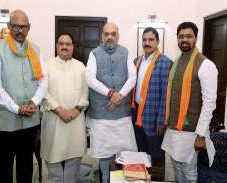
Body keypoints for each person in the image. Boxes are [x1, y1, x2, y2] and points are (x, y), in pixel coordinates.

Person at [0, 9, 48, 183]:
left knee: (26, 163)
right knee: (5, 165)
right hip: (6, 121)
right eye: (16, 26)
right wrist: (16, 108)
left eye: (24, 27)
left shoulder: (35, 49)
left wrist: (34, 102)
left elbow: (43, 79)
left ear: (29, 27)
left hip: (30, 119)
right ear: (8, 26)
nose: (20, 30)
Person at [161, 22, 218, 183]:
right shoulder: (178, 61)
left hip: (191, 130)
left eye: (189, 36)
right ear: (177, 38)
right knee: (176, 165)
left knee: (189, 171)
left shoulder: (206, 65)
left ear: (196, 38)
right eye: (181, 36)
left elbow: (209, 103)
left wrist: (200, 135)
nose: (184, 39)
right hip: (174, 128)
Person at [86, 23, 137, 183]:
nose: (109, 37)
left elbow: (132, 77)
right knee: (103, 153)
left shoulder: (126, 52)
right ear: (102, 36)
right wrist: (110, 93)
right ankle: (104, 179)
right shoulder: (94, 54)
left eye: (113, 34)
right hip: (101, 115)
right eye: (106, 34)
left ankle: (119, 180)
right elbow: (90, 79)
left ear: (118, 36)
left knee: (122, 152)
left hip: (121, 114)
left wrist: (119, 96)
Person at [41, 33, 88, 183]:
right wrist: (59, 110)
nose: (64, 46)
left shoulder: (81, 67)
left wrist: (75, 111)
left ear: (73, 47)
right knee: (53, 157)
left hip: (75, 120)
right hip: (54, 120)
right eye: (61, 43)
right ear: (57, 46)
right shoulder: (47, 66)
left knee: (74, 158)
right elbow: (42, 92)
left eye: (68, 44)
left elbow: (86, 92)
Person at [132, 27, 172, 180]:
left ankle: (157, 179)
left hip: (155, 117)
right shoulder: (137, 61)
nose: (147, 43)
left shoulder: (165, 63)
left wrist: (162, 120)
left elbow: (166, 95)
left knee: (156, 154)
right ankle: (142, 177)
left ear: (157, 41)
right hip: (137, 114)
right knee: (141, 152)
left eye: (151, 40)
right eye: (144, 40)